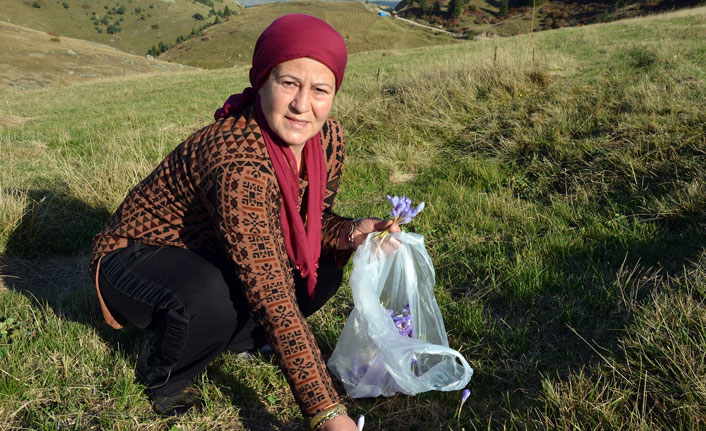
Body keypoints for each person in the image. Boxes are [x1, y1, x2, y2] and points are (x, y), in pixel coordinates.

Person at [89, 14, 399, 431]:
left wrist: (349, 232)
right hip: (138, 258)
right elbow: (270, 290)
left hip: (213, 250)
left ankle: (233, 340)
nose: (302, 105)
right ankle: (166, 380)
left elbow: (312, 222)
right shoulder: (239, 162)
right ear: (262, 83)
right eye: (288, 83)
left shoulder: (327, 140)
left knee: (321, 272)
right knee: (214, 297)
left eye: (319, 89)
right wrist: (327, 413)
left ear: (333, 94)